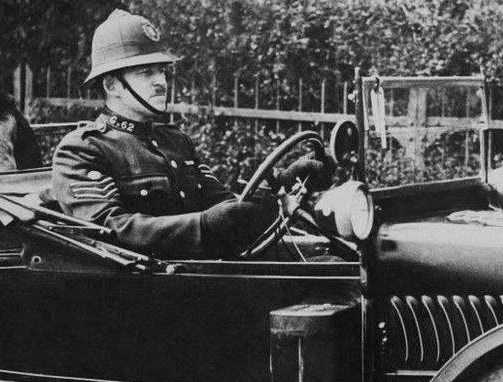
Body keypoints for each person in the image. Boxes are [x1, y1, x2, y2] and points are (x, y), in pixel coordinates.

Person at [52, 9, 333, 259]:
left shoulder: (174, 141)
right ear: (112, 85)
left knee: (335, 263)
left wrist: (280, 184)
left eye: (162, 71)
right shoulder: (83, 150)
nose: (161, 81)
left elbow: (224, 207)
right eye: (146, 72)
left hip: (204, 279)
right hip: (150, 293)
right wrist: (203, 225)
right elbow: (107, 229)